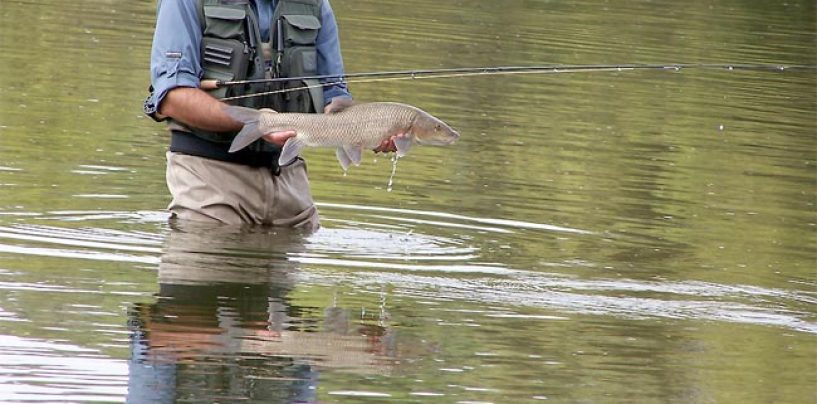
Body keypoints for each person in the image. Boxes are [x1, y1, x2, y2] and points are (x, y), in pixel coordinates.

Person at [144, 0, 393, 230]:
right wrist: (261, 123)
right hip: (208, 179)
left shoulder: (316, 4)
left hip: (289, 184)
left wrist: (369, 130)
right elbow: (172, 98)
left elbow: (334, 97)